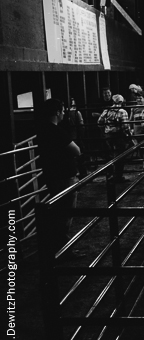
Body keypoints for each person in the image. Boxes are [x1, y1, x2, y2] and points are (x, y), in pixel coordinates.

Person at [37, 98, 83, 254]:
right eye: (62, 111)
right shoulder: (57, 131)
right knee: (66, 213)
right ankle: (63, 249)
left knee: (58, 212)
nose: (64, 113)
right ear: (57, 112)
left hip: (52, 175)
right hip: (65, 176)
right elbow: (76, 150)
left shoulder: (42, 131)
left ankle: (58, 247)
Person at [97, 94, 132, 182]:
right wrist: (128, 135)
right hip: (118, 136)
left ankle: (110, 175)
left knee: (110, 155)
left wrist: (105, 131)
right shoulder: (122, 111)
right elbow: (125, 126)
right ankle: (118, 176)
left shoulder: (107, 110)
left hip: (108, 135)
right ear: (121, 102)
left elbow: (99, 122)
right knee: (120, 155)